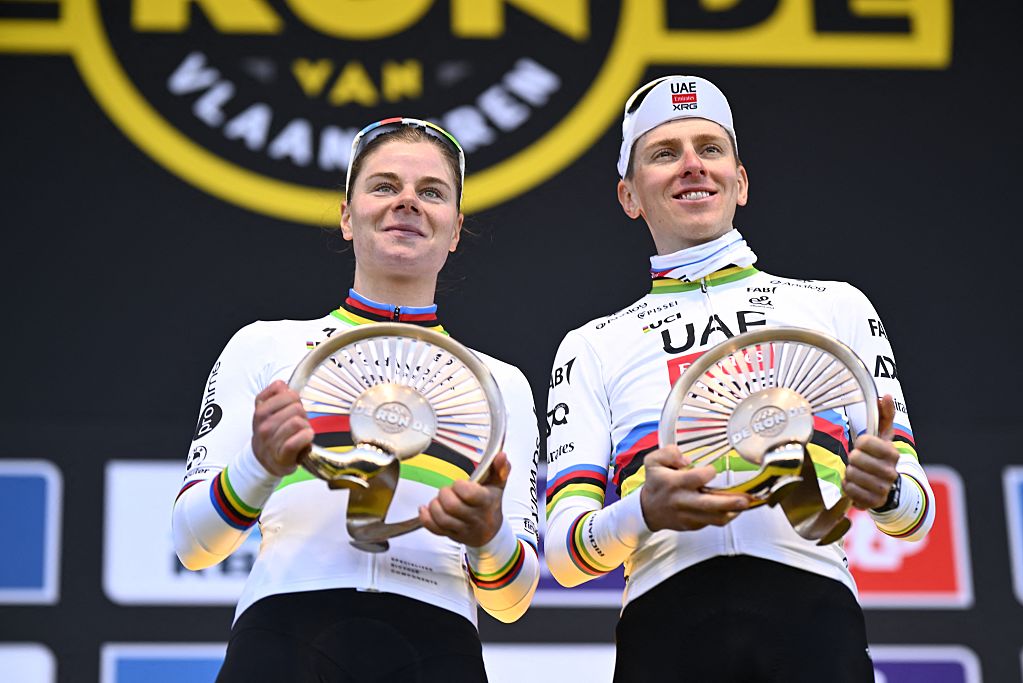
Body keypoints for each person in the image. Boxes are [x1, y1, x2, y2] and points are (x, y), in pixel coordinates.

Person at [543, 76, 935, 682]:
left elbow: (915, 515)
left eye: (710, 148)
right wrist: (642, 512)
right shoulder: (593, 345)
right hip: (664, 630)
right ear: (629, 195)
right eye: (664, 153)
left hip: (813, 620)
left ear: (740, 180)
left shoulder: (835, 307)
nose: (692, 166)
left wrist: (886, 490)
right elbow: (566, 555)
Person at [173, 117, 540, 682]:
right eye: (385, 186)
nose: (408, 203)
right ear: (347, 215)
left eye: (432, 192)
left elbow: (510, 601)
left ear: (455, 228)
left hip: (437, 650)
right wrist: (259, 465)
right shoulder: (267, 346)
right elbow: (192, 544)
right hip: (283, 640)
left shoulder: (499, 384)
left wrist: (488, 533)